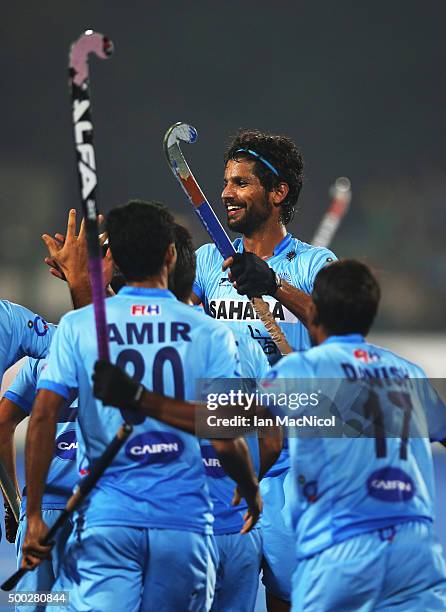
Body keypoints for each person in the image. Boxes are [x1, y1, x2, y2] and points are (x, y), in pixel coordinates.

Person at [21, 200, 261, 612]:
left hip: (107, 519)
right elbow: (224, 436)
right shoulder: (210, 332)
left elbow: (42, 416)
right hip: (183, 525)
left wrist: (37, 514)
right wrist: (252, 491)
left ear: (113, 258)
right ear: (170, 254)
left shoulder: (81, 325)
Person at [192, 129, 336, 610]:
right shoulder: (208, 260)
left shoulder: (316, 262)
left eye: (241, 183)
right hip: (220, 460)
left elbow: (335, 332)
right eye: (226, 182)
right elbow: (171, 322)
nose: (226, 193)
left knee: (288, 598)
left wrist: (274, 285)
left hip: (293, 464)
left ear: (278, 193)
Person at [258, 259, 446, 610]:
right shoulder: (408, 373)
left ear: (312, 312)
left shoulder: (298, 371)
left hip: (340, 549)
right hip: (415, 550)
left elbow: (257, 436)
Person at [171, 222, 279, 612]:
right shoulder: (240, 340)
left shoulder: (127, 336)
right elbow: (270, 436)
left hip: (172, 526)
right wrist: (249, 487)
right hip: (237, 524)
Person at [0, 357, 78, 610]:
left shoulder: (43, 357)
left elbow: (2, 424)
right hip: (98, 513)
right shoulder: (135, 350)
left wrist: (12, 503)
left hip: (37, 514)